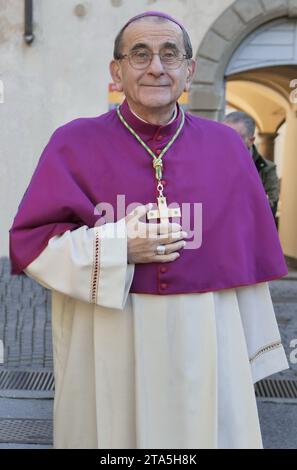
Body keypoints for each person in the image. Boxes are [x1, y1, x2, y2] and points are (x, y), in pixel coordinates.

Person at [9, 11, 289, 449]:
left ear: (189, 71)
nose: (156, 66)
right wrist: (120, 246)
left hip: (206, 351)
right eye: (140, 54)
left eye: (170, 54)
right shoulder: (73, 144)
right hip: (109, 346)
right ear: (116, 71)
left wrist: (248, 354)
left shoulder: (226, 149)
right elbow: (32, 246)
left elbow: (247, 262)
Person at [223, 112, 280, 223]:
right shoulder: (212, 162)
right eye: (223, 136)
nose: (227, 142)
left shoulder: (266, 169)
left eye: (234, 137)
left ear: (251, 140)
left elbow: (269, 211)